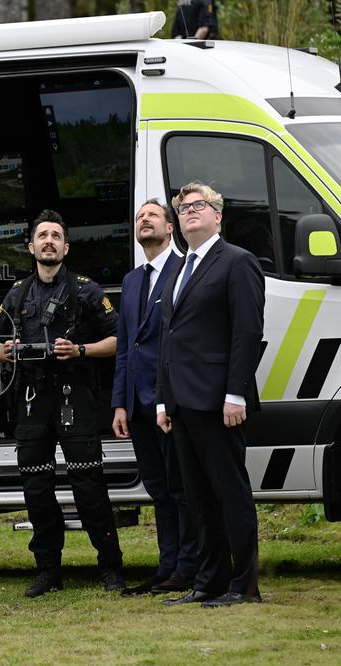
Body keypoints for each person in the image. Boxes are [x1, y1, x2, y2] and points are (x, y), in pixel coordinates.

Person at [0, 210, 124, 598]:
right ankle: (48, 571)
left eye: (56, 236)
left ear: (66, 246)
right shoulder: (16, 294)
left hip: (76, 398)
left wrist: (80, 349)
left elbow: (119, 340)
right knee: (36, 488)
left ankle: (111, 568)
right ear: (31, 246)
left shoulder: (87, 290)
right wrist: (9, 352)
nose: (49, 241)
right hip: (32, 401)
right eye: (42, 236)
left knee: (89, 487)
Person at [156, 182, 264, 607]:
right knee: (198, 500)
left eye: (199, 205)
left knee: (229, 493)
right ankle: (209, 582)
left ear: (218, 215)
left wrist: (235, 392)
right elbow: (169, 338)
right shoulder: (179, 268)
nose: (189, 212)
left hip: (220, 401)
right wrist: (164, 399)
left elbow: (247, 332)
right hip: (181, 403)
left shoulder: (237, 262)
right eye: (183, 208)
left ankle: (244, 585)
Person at [112, 200, 198, 596]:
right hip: (139, 404)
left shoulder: (186, 271)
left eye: (152, 215)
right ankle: (166, 570)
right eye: (138, 216)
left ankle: (189, 567)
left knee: (182, 488)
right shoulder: (131, 281)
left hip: (173, 401)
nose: (143, 220)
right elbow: (126, 348)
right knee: (159, 489)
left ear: (170, 225)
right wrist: (120, 403)